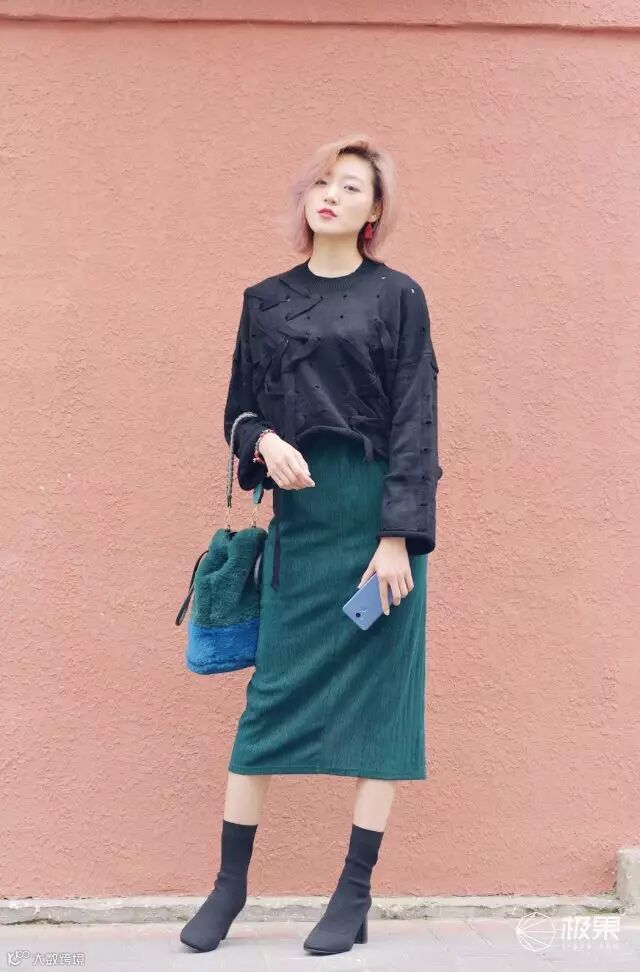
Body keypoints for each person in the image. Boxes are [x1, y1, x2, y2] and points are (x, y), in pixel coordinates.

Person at [180, 133, 443, 957]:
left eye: (351, 186)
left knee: (383, 710)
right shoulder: (264, 301)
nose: (331, 194)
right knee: (266, 709)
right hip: (303, 524)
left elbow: (417, 422)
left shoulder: (399, 296)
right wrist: (262, 441)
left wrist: (398, 538)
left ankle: (353, 894)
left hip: (379, 524)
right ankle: (229, 887)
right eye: (323, 181)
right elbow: (238, 409)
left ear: (374, 211)